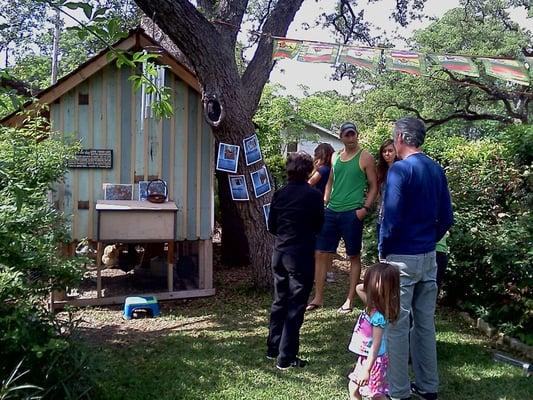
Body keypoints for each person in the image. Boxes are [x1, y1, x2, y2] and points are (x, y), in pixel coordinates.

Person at [379, 117, 454, 400]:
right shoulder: (436, 169)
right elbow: (447, 217)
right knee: (424, 323)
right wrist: (428, 241)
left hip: (402, 257)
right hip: (428, 257)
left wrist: (383, 249)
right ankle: (428, 386)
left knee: (396, 326)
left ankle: (398, 392)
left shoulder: (400, 169)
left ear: (400, 137)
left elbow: (392, 217)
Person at [307, 122, 378, 313]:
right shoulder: (335, 157)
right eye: (347, 135)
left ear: (357, 135)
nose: (351, 138)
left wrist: (364, 208)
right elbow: (330, 181)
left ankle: (349, 299)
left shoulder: (365, 157)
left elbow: (373, 185)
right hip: (331, 211)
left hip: (352, 213)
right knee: (321, 253)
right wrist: (324, 202)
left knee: (353, 256)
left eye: (353, 134)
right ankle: (318, 297)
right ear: (341, 137)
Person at [266, 152, 324, 370]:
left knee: (279, 301)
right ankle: (286, 356)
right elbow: (319, 225)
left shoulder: (280, 193)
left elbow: (271, 226)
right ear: (309, 171)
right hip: (299, 255)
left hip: (279, 253)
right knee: (295, 305)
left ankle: (273, 348)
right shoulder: (313, 196)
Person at [347, 262, 400, 400]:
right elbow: (359, 288)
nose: (368, 284)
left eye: (373, 281)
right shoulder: (373, 305)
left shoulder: (378, 316)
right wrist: (370, 284)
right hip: (366, 357)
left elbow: (375, 346)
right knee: (354, 388)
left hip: (374, 360)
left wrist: (367, 370)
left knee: (375, 395)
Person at [308, 143, 336, 283]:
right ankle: (329, 273)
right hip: (329, 206)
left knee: (317, 242)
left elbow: (309, 183)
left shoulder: (322, 170)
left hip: (316, 206)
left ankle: (317, 272)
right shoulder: (333, 169)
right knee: (328, 242)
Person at [376, 139, 397, 245]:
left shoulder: (401, 169)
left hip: (394, 218)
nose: (387, 154)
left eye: (390, 151)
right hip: (381, 215)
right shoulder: (381, 170)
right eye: (384, 151)